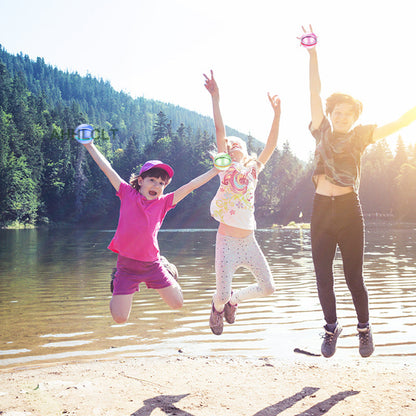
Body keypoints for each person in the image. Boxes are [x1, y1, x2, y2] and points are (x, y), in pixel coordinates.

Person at [301, 25, 416, 358]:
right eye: (337, 112)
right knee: (323, 275)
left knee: (354, 276)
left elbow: (396, 124)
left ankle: (364, 329)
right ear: (331, 113)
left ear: (354, 117)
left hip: (350, 210)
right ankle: (330, 327)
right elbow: (314, 93)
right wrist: (313, 55)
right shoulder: (320, 130)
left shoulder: (361, 135)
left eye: (347, 114)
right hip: (321, 209)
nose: (340, 117)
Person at [81, 139, 218, 324]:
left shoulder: (164, 203)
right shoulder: (127, 193)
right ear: (140, 181)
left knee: (178, 304)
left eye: (161, 183)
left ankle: (166, 266)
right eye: (152, 180)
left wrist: (216, 170)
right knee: (120, 319)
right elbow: (108, 169)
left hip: (152, 265)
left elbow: (192, 185)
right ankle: (116, 284)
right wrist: (89, 145)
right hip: (126, 267)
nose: (156, 185)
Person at [203, 70, 281, 335]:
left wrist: (277, 114)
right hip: (226, 240)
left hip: (249, 241)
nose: (231, 145)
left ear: (246, 151)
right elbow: (219, 129)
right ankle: (217, 307)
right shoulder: (225, 169)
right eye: (228, 145)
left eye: (236, 144)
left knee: (268, 288)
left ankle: (234, 301)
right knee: (220, 293)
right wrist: (216, 98)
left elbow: (271, 144)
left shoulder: (254, 170)